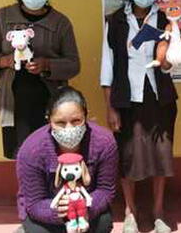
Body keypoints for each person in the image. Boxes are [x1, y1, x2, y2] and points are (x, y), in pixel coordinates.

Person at [100, 0, 177, 233]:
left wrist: (169, 61)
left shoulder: (167, 20)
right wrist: (110, 107)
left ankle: (158, 211)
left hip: (159, 97)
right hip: (125, 98)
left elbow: (172, 60)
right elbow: (107, 67)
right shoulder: (115, 21)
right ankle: (130, 212)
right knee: (127, 156)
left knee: (161, 154)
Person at [0, 0, 80, 159]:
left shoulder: (60, 22)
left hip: (50, 102)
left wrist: (47, 65)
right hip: (13, 102)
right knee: (22, 157)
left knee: (50, 155)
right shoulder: (3, 17)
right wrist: (4, 61)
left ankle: (50, 190)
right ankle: (27, 191)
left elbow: (74, 64)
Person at [16, 86, 117, 233]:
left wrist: (86, 208)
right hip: (47, 211)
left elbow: (105, 190)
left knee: (104, 223)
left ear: (86, 116)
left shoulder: (104, 142)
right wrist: (58, 212)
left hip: (84, 211)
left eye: (76, 121)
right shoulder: (31, 150)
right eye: (60, 123)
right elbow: (33, 203)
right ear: (49, 120)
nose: (69, 128)